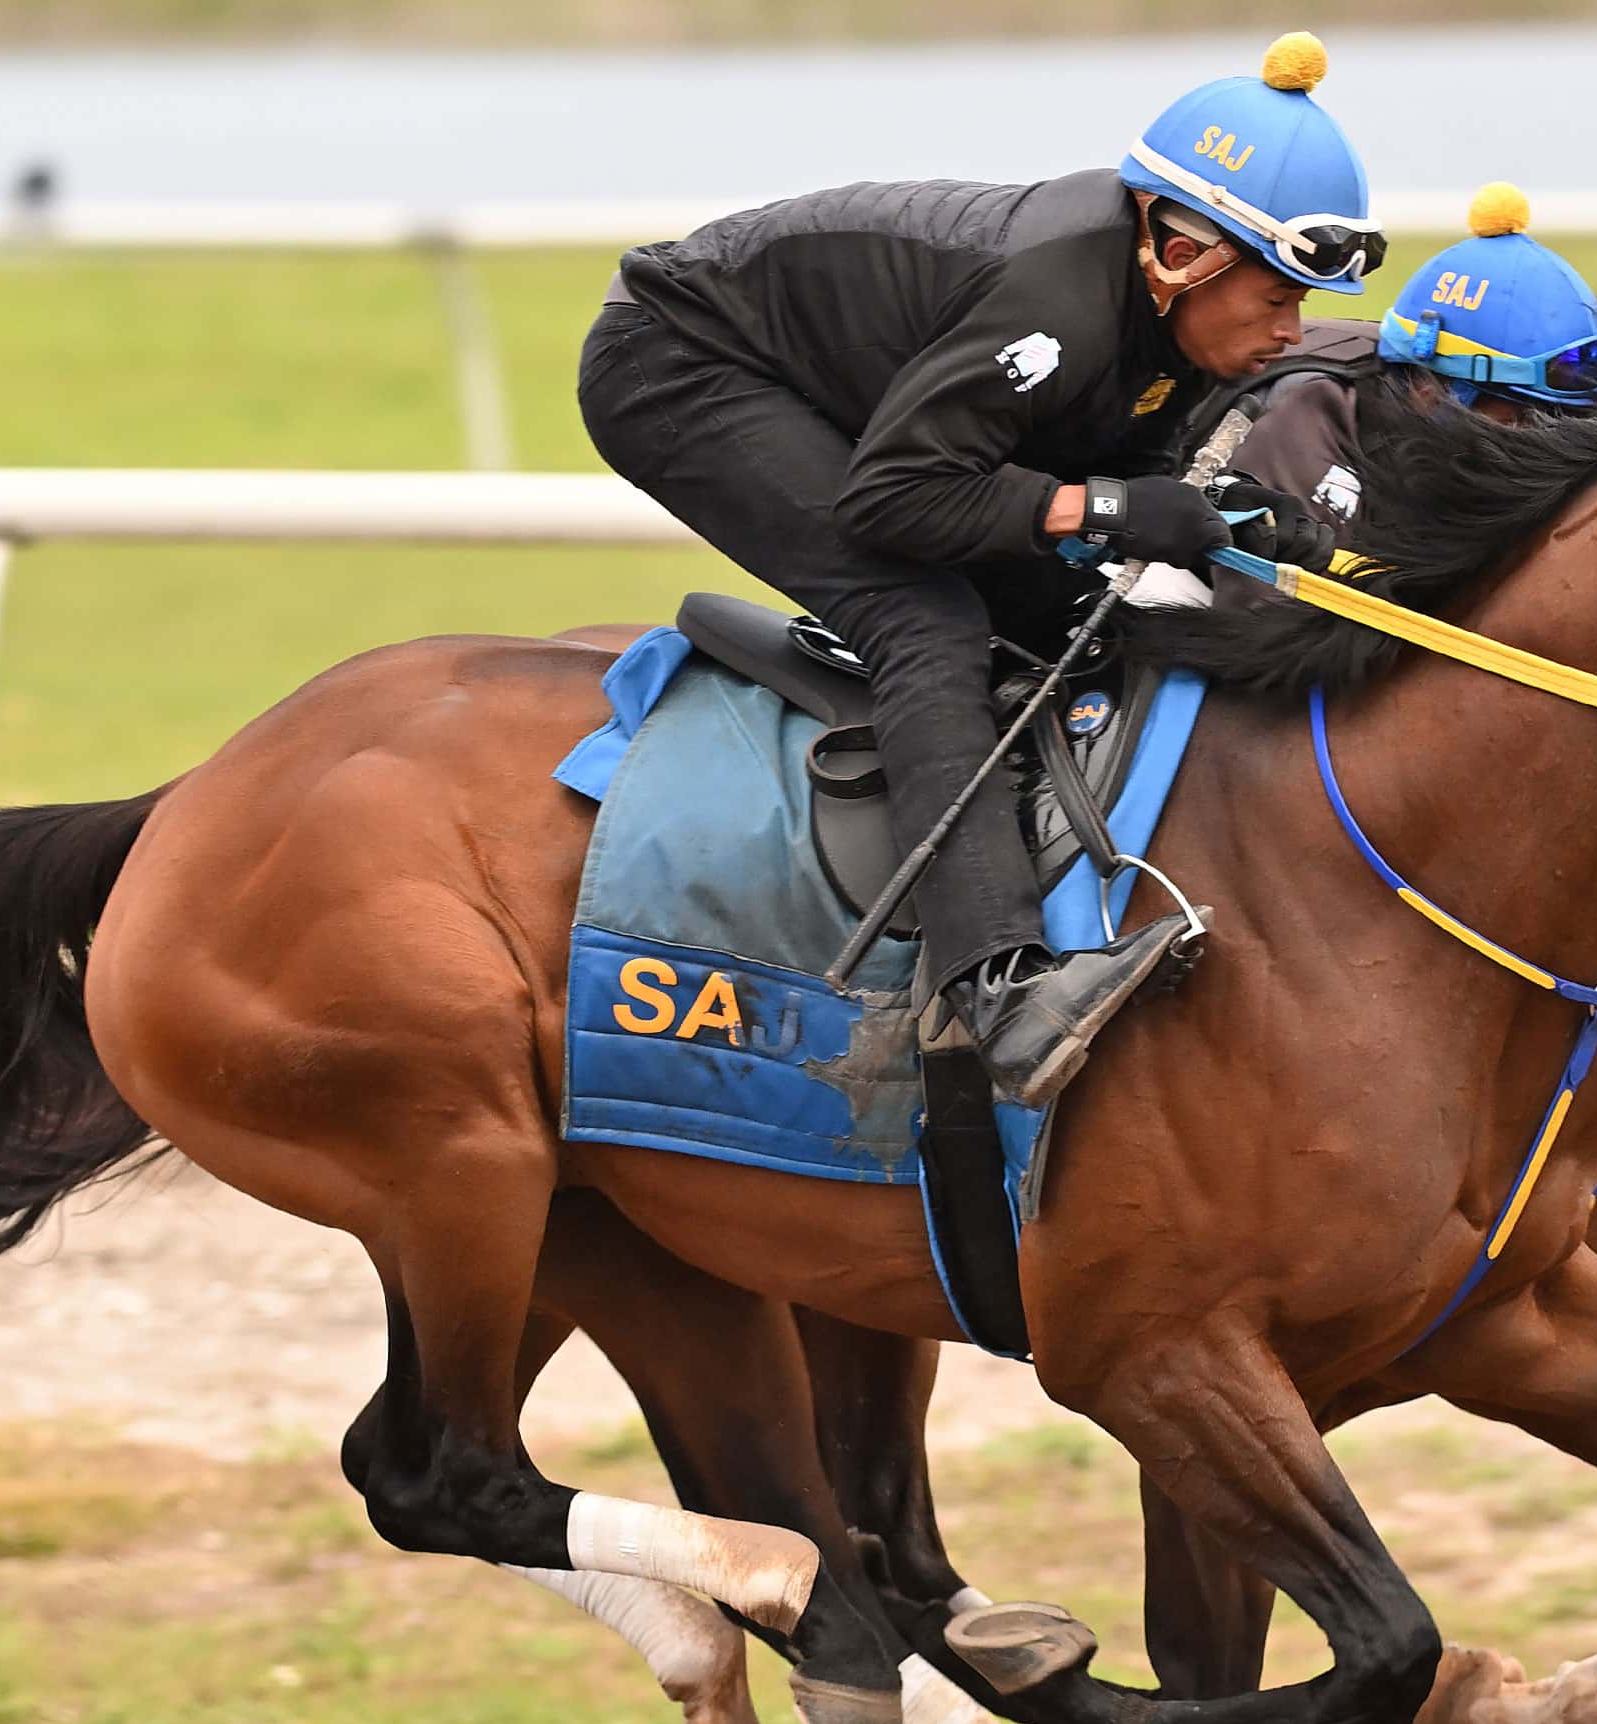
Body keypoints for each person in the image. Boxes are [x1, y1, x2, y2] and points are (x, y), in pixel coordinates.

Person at [578, 34, 1374, 1108]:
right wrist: (1108, 510)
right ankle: (997, 987)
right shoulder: (1056, 299)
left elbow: (1105, 487)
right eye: (1277, 298)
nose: (1293, 331)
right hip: (680, 360)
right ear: (1184, 252)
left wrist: (1212, 525)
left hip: (854, 397)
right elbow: (894, 500)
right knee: (925, 618)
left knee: (1072, 604)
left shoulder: (1165, 320)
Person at [1211, 182, 1597, 541]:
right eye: (1520, 423)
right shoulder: (1309, 427)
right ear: (1429, 391)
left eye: (1561, 423)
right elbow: (1260, 599)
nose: (1542, 448)